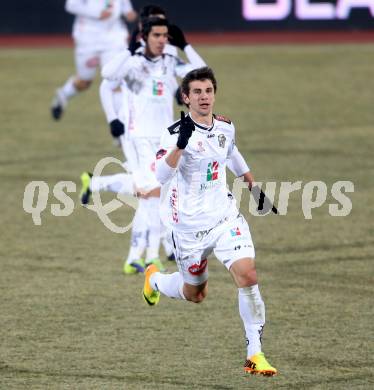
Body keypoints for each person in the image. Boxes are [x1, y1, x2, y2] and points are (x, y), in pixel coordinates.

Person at [143, 67, 277, 376]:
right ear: (186, 98)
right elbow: (160, 176)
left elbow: (231, 153)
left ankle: (255, 354)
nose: (204, 97)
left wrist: (252, 185)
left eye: (209, 91)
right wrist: (180, 145)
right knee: (196, 294)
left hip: (224, 217)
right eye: (198, 93)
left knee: (248, 275)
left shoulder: (226, 127)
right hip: (188, 228)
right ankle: (155, 280)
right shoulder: (174, 133)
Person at [81, 17, 206, 274]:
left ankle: (96, 184)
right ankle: (148, 256)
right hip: (137, 138)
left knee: (152, 193)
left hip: (164, 137)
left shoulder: (170, 60)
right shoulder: (132, 62)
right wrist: (113, 118)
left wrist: (187, 45)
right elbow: (106, 78)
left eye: (165, 35)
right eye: (157, 35)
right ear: (144, 36)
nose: (163, 40)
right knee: (153, 194)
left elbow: (203, 74)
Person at [50, 0, 137, 120]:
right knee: (84, 81)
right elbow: (71, 5)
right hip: (88, 36)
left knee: (115, 79)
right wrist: (97, 13)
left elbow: (124, 6)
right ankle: (64, 94)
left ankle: (121, 129)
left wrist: (128, 12)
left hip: (113, 36)